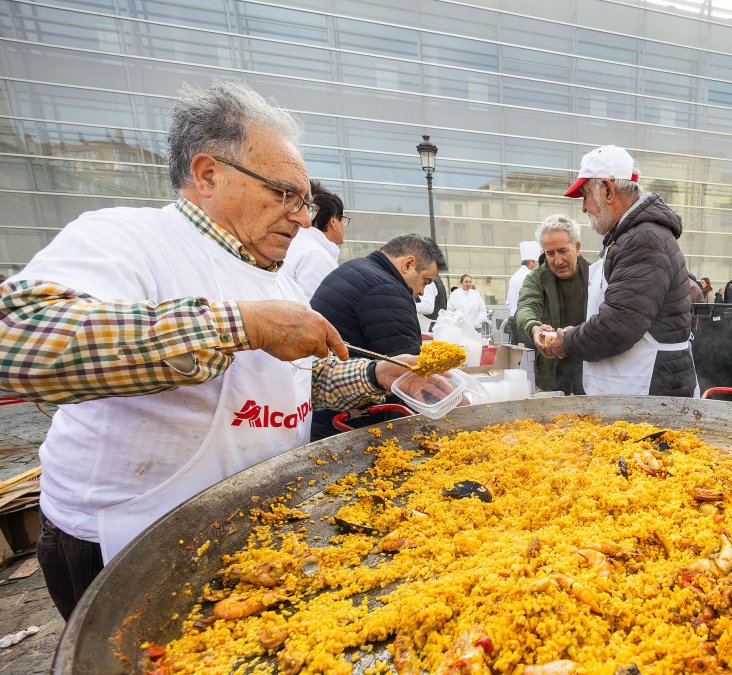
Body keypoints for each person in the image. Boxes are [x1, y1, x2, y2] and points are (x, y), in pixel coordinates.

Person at [0, 80, 434, 618]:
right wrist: (242, 325)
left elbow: (300, 382)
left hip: (253, 523)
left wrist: (380, 376)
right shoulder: (125, 236)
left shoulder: (278, 278)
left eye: (305, 202)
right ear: (208, 175)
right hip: (130, 538)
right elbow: (16, 339)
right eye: (286, 195)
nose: (303, 218)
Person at [537, 145, 698, 396]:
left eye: (585, 196)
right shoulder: (630, 237)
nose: (584, 207)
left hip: (651, 393)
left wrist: (567, 342)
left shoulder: (644, 239)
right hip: (636, 391)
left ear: (608, 190)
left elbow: (618, 326)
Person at [308, 234, 446, 441]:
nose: (422, 292)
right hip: (345, 425)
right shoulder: (387, 290)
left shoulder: (355, 269)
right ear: (408, 264)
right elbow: (408, 374)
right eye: (425, 281)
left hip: (324, 410)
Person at [514, 214, 589, 394]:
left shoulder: (594, 275)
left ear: (577, 248)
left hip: (588, 369)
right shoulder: (536, 278)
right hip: (550, 371)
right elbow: (526, 307)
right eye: (550, 253)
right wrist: (534, 328)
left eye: (563, 251)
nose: (557, 260)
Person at [282, 180, 345, 300]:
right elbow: (317, 306)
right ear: (333, 221)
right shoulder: (316, 255)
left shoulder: (293, 243)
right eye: (343, 220)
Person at [505, 240, 540, 343]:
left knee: (516, 351)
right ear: (531, 262)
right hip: (526, 322)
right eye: (537, 262)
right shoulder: (530, 276)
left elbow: (508, 302)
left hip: (513, 320)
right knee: (528, 351)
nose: (538, 265)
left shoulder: (514, 276)